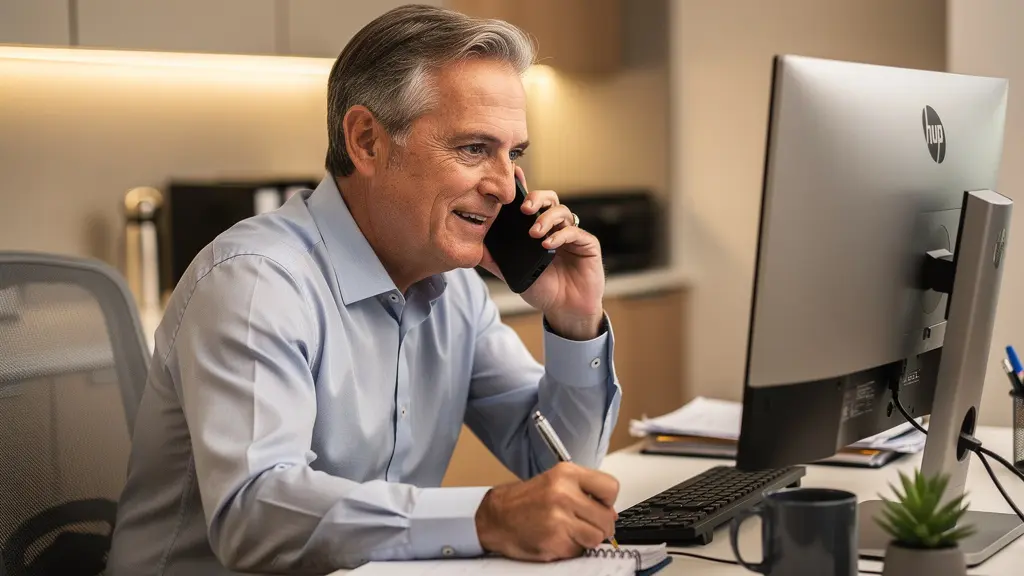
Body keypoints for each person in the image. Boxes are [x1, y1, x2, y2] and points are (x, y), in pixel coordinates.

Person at [106, 5, 623, 574]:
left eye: (514, 154)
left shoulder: (455, 288)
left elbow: (557, 465)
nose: (505, 186)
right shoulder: (253, 281)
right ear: (367, 141)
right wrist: (486, 517)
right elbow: (252, 513)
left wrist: (576, 319)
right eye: (474, 148)